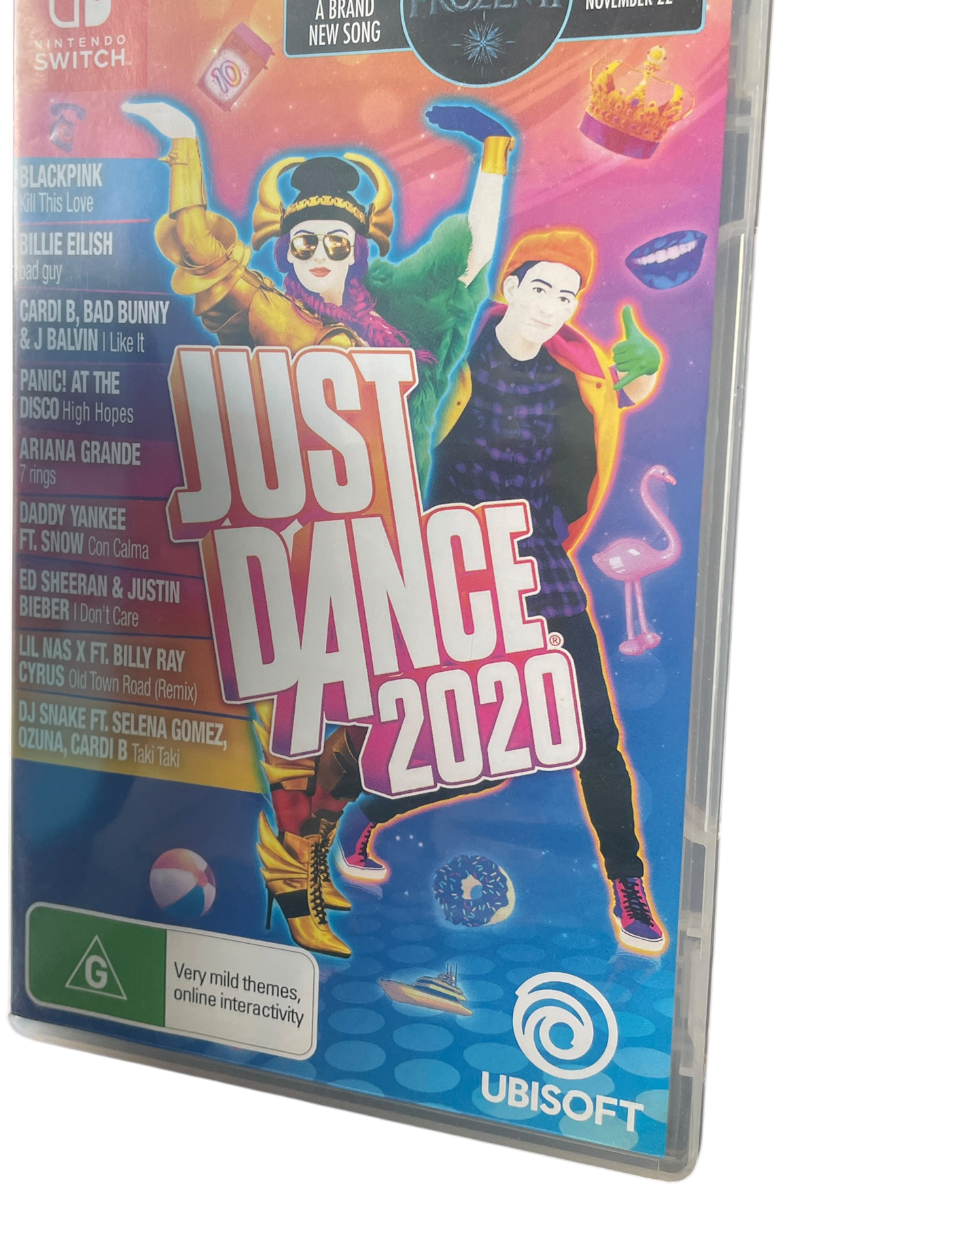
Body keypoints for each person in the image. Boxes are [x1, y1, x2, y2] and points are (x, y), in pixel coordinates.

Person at [122, 97, 515, 956]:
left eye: (337, 245)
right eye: (306, 246)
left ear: (360, 249)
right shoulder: (272, 314)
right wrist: (184, 148)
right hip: (299, 547)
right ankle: (290, 880)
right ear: (287, 249)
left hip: (385, 552)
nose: (322, 259)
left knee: (358, 732)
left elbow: (471, 258)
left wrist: (492, 155)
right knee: (297, 727)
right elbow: (207, 258)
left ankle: (313, 854)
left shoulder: (401, 320)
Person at [333, 227, 673, 955]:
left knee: (594, 735)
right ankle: (368, 810)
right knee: (476, 747)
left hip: (540, 567)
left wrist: (639, 380)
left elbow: (609, 405)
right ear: (512, 287)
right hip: (454, 570)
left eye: (567, 295)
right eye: (540, 287)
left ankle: (628, 885)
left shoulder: (571, 376)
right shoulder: (455, 351)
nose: (551, 306)